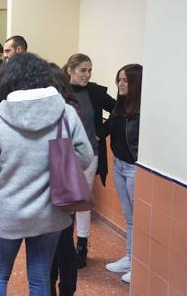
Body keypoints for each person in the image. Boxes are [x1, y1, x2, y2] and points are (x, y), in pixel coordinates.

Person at [0, 53, 93, 296]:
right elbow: (86, 156)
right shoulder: (65, 112)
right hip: (51, 213)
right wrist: (56, 164)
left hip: (7, 215)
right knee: (39, 277)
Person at [63, 53, 116, 268]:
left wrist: (101, 132)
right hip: (63, 155)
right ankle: (64, 244)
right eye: (83, 70)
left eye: (89, 70)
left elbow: (119, 110)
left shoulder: (95, 92)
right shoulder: (58, 92)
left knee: (82, 200)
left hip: (90, 154)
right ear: (70, 70)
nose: (87, 74)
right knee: (64, 202)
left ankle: (82, 246)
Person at [102, 64, 143, 284]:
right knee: (129, 217)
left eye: (126, 80)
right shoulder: (120, 105)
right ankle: (130, 257)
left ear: (137, 82)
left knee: (139, 219)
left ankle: (140, 264)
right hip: (118, 165)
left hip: (134, 169)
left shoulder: (143, 111)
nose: (121, 84)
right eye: (119, 79)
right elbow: (106, 128)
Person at [47, 63, 80, 296]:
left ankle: (52, 288)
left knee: (54, 244)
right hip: (67, 181)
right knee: (65, 241)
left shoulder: (58, 110)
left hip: (54, 182)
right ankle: (65, 290)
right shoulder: (72, 108)